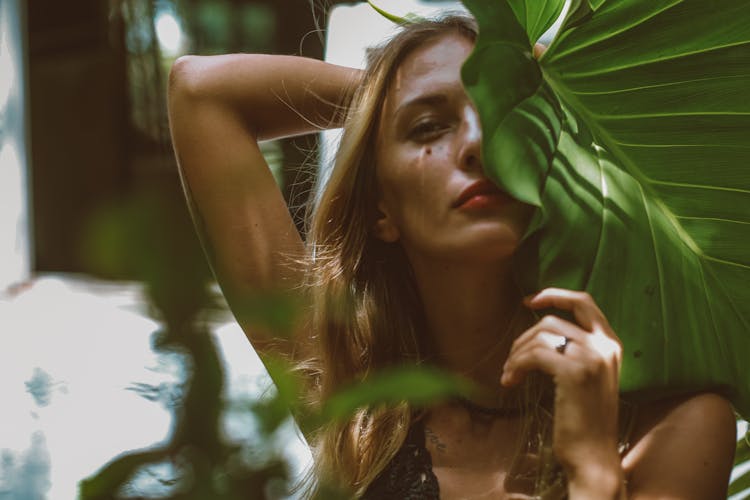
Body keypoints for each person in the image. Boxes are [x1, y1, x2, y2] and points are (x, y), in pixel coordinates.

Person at [167, 14, 737, 499]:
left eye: (506, 118)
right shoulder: (354, 393)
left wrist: (592, 473)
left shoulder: (671, 425)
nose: (476, 144)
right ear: (381, 209)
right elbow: (201, 92)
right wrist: (389, 91)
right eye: (427, 127)